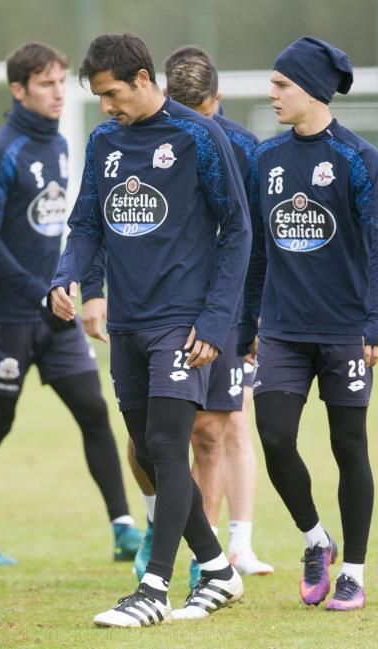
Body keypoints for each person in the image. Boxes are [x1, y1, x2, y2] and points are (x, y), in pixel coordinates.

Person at [49, 33, 250, 627]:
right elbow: (86, 223)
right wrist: (72, 280)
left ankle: (154, 590)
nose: (106, 105)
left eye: (112, 93)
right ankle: (216, 569)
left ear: (143, 79)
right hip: (127, 325)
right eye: (98, 96)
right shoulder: (105, 139)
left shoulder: (198, 137)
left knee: (166, 445)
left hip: (181, 324)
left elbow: (238, 232)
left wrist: (215, 321)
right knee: (148, 448)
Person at [0, 42, 141, 568]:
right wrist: (40, 290)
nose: (59, 94)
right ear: (19, 90)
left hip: (54, 316)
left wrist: (62, 284)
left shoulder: (57, 145)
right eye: (47, 84)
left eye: (61, 83)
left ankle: (124, 529)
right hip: (7, 317)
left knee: (95, 412)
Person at [86, 47, 273, 588]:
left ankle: (218, 551)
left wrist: (246, 319)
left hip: (215, 314)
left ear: (217, 104)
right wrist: (90, 287)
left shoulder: (237, 146)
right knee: (152, 439)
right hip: (143, 317)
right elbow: (102, 221)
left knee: (216, 431)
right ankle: (174, 531)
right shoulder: (121, 139)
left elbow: (250, 240)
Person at [238, 37, 378, 611]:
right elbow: (256, 248)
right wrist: (244, 323)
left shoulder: (358, 159)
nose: (272, 93)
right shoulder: (265, 158)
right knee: (275, 436)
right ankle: (315, 539)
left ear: (312, 89)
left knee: (348, 446)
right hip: (281, 328)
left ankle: (353, 571)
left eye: (282, 84)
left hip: (345, 332)